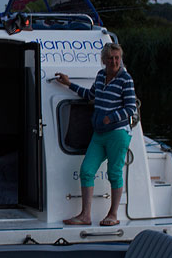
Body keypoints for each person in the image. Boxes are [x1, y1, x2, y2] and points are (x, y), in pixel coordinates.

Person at [55, 43, 137, 227]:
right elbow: (91, 95)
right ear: (104, 60)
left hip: (117, 133)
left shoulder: (126, 79)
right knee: (87, 171)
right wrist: (69, 84)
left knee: (114, 173)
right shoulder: (101, 76)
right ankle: (85, 215)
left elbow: (131, 107)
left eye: (117, 57)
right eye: (110, 58)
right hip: (99, 134)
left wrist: (111, 117)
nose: (114, 61)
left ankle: (113, 214)